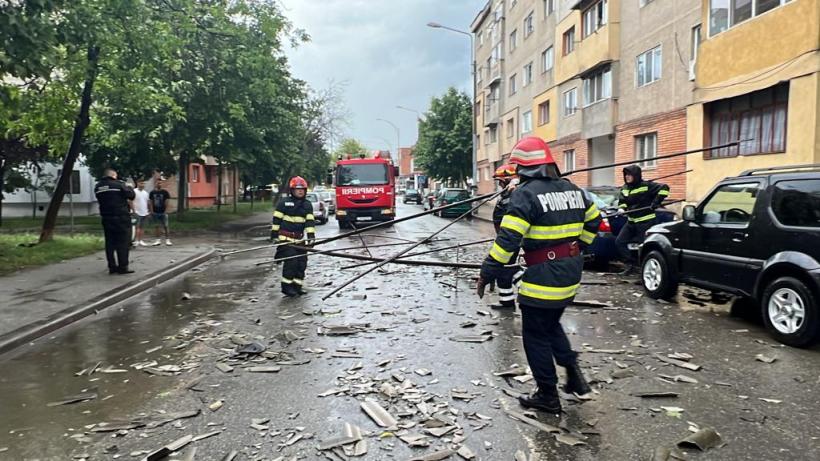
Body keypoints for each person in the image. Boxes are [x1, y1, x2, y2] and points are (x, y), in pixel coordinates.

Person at [476, 136, 601, 414]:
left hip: (544, 275)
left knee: (534, 332)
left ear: (523, 168)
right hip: (569, 272)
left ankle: (547, 394)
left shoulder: (525, 194)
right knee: (550, 323)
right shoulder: (572, 189)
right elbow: (594, 220)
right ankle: (574, 375)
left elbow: (507, 240)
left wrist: (487, 272)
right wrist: (579, 245)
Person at [615, 165, 669, 275]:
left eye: (629, 175)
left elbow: (665, 188)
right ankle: (631, 265)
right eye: (626, 175)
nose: (627, 177)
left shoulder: (646, 186)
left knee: (644, 248)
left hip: (645, 222)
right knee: (619, 242)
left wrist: (656, 202)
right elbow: (622, 201)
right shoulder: (625, 188)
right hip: (631, 222)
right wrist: (621, 208)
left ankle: (644, 272)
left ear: (636, 175)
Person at [270, 176, 316, 297]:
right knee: (292, 262)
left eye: (302, 189)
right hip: (286, 239)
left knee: (302, 263)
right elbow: (276, 220)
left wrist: (311, 236)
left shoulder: (307, 204)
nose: (300, 191)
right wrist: (274, 235)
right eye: (297, 189)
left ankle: (297, 286)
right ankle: (286, 287)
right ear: (292, 190)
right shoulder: (284, 203)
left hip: (300, 240)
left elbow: (309, 222)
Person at [490, 163, 523, 310]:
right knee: (504, 268)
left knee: (505, 267)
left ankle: (526, 288)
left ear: (508, 180)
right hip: (504, 236)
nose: (499, 184)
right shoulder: (506, 193)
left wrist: (514, 185)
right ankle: (507, 301)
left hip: (510, 238)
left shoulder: (515, 193)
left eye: (501, 181)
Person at [94, 168, 136, 274]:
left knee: (110, 243)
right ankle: (122, 267)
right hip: (121, 217)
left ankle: (112, 267)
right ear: (113, 175)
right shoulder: (118, 184)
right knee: (123, 242)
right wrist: (130, 187)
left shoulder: (98, 187)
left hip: (106, 218)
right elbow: (131, 196)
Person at [149, 179, 172, 246]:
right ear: (155, 184)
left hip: (163, 211)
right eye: (158, 183)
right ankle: (158, 240)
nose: (159, 184)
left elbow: (167, 202)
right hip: (155, 211)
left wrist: (166, 211)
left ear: (162, 184)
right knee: (157, 226)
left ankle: (167, 240)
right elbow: (151, 202)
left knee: (166, 226)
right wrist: (151, 211)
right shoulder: (152, 192)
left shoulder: (165, 192)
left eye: (160, 183)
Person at [132, 179, 151, 246]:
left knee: (142, 227)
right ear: (137, 183)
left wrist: (148, 211)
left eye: (143, 183)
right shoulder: (134, 191)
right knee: (137, 227)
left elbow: (148, 203)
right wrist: (133, 211)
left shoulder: (146, 193)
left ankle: (140, 240)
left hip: (144, 212)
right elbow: (130, 201)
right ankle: (136, 240)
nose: (142, 185)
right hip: (137, 212)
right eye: (141, 183)